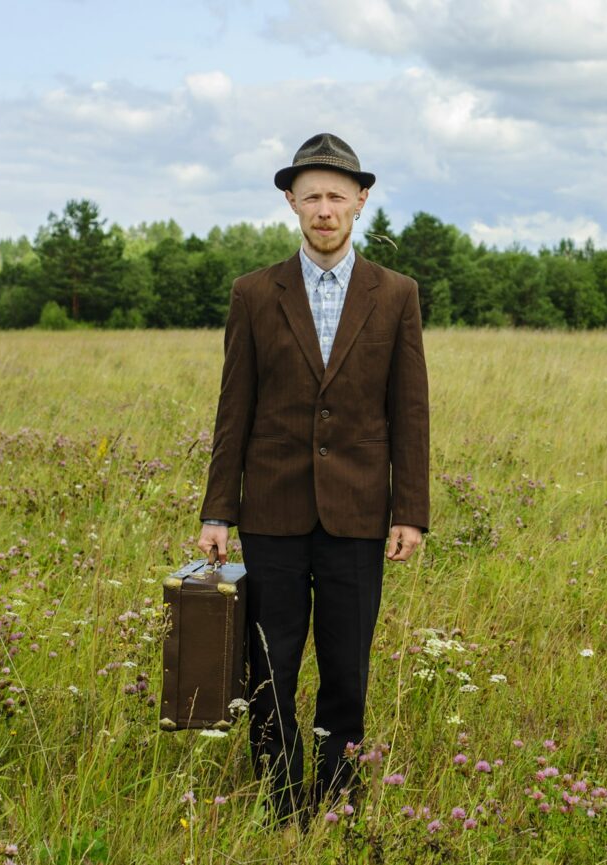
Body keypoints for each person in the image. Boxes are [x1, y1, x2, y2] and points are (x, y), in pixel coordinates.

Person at [196, 132, 430, 827]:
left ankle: (337, 798)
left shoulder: (396, 295)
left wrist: (409, 511)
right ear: (291, 202)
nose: (324, 209)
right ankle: (280, 802)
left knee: (347, 674)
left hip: (360, 517)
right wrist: (218, 511)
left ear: (360, 200)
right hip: (271, 514)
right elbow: (232, 408)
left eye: (336, 195)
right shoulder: (253, 294)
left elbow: (409, 411)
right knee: (270, 671)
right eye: (311, 196)